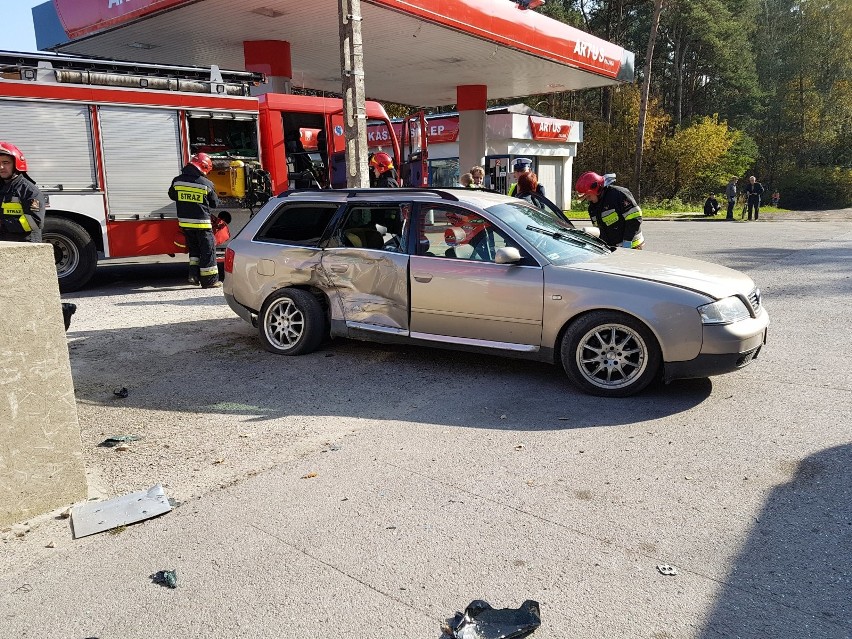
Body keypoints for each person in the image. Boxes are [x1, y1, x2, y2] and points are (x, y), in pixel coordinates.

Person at [168, 152, 221, 288]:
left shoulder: (177, 181)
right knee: (208, 251)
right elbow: (215, 203)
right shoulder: (206, 184)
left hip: (185, 224)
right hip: (202, 224)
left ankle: (193, 275)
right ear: (204, 167)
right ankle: (210, 281)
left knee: (194, 251)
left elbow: (172, 196)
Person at [575, 171, 644, 249]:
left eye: (589, 196)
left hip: (632, 246)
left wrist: (627, 241)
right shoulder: (592, 208)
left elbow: (635, 218)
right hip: (612, 248)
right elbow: (600, 230)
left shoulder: (618, 194)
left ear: (597, 190)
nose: (588, 199)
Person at [0, 142, 45, 244]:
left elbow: (34, 221)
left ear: (16, 164)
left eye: (6, 162)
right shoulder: (2, 187)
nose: (1, 167)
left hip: (24, 246)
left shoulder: (30, 191)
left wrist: (3, 224)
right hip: (4, 244)